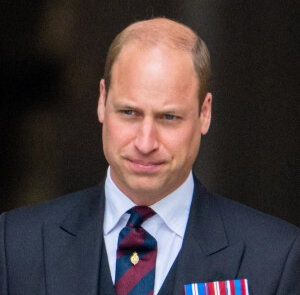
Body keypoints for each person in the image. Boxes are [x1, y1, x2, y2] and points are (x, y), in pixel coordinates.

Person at [0, 18, 299, 295]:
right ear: (102, 100)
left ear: (204, 113)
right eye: (129, 112)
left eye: (169, 117)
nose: (145, 142)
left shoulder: (276, 257)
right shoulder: (13, 244)